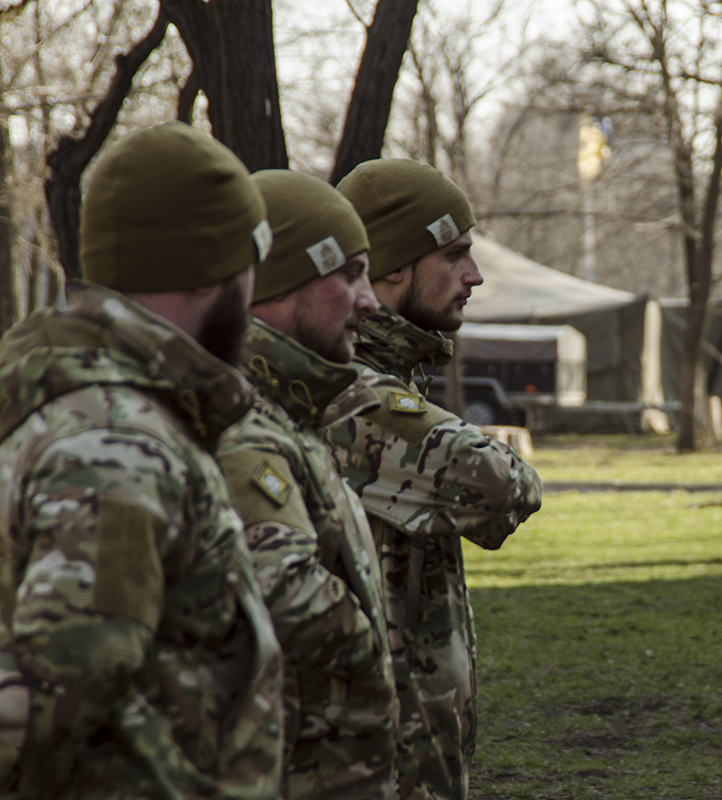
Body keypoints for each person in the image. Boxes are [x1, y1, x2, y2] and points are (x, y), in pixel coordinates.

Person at [0, 122, 284, 798]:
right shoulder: (117, 445)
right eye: (249, 266)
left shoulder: (82, 400)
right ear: (212, 269)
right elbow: (66, 680)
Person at [329, 159, 542, 800]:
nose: (474, 275)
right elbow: (502, 486)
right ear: (394, 266)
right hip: (369, 757)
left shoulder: (387, 376)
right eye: (454, 254)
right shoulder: (350, 391)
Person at [215, 169, 401, 799]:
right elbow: (279, 588)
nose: (370, 301)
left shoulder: (295, 410)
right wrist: (370, 640)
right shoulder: (243, 422)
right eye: (349, 275)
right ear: (279, 282)